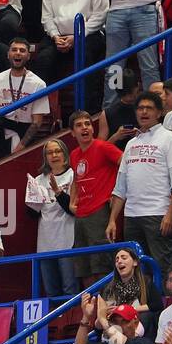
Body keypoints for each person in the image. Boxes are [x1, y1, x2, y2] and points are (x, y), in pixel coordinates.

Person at [107, 91, 172, 274]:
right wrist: (112, 220)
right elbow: (120, 188)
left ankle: (165, 303)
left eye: (149, 108)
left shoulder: (169, 138)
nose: (144, 112)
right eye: (140, 108)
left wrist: (170, 214)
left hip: (158, 214)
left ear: (159, 113)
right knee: (135, 272)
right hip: (131, 217)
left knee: (162, 268)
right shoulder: (130, 144)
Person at [35, 0, 108, 111]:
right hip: (57, 35)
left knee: (88, 59)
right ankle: (44, 113)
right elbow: (46, 16)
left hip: (88, 34)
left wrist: (77, 37)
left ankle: (88, 111)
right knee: (43, 59)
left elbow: (101, 14)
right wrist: (55, 36)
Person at [68, 110, 124, 284]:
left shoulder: (103, 146)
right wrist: (72, 201)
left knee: (102, 265)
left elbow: (126, 164)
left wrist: (117, 191)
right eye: (79, 125)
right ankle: (90, 307)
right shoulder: (74, 154)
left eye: (87, 124)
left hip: (100, 211)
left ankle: (106, 305)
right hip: (81, 214)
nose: (84, 128)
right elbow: (77, 180)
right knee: (83, 266)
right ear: (72, 133)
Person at [0, 37, 49, 160]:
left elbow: (37, 121)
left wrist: (22, 145)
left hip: (25, 134)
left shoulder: (38, 83)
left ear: (28, 56)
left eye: (22, 50)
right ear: (8, 54)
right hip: (0, 133)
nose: (18, 53)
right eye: (14, 50)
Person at [29, 138, 77, 298]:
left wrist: (58, 191)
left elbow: (73, 209)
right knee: (51, 291)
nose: (54, 155)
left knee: (69, 289)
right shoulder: (38, 180)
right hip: (45, 242)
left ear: (65, 154)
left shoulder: (73, 175)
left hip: (67, 239)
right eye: (49, 152)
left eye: (57, 151)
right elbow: (32, 214)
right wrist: (33, 200)